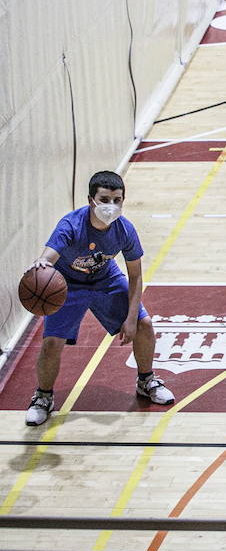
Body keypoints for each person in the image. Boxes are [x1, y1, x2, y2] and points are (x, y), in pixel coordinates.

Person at [24, 172, 174, 426]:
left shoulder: (124, 229)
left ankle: (146, 380)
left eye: (117, 200)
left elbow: (136, 276)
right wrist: (42, 263)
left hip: (106, 279)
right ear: (91, 200)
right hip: (67, 285)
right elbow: (48, 256)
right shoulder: (70, 225)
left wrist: (130, 319)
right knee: (51, 343)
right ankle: (43, 397)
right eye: (105, 199)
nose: (111, 206)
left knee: (144, 325)